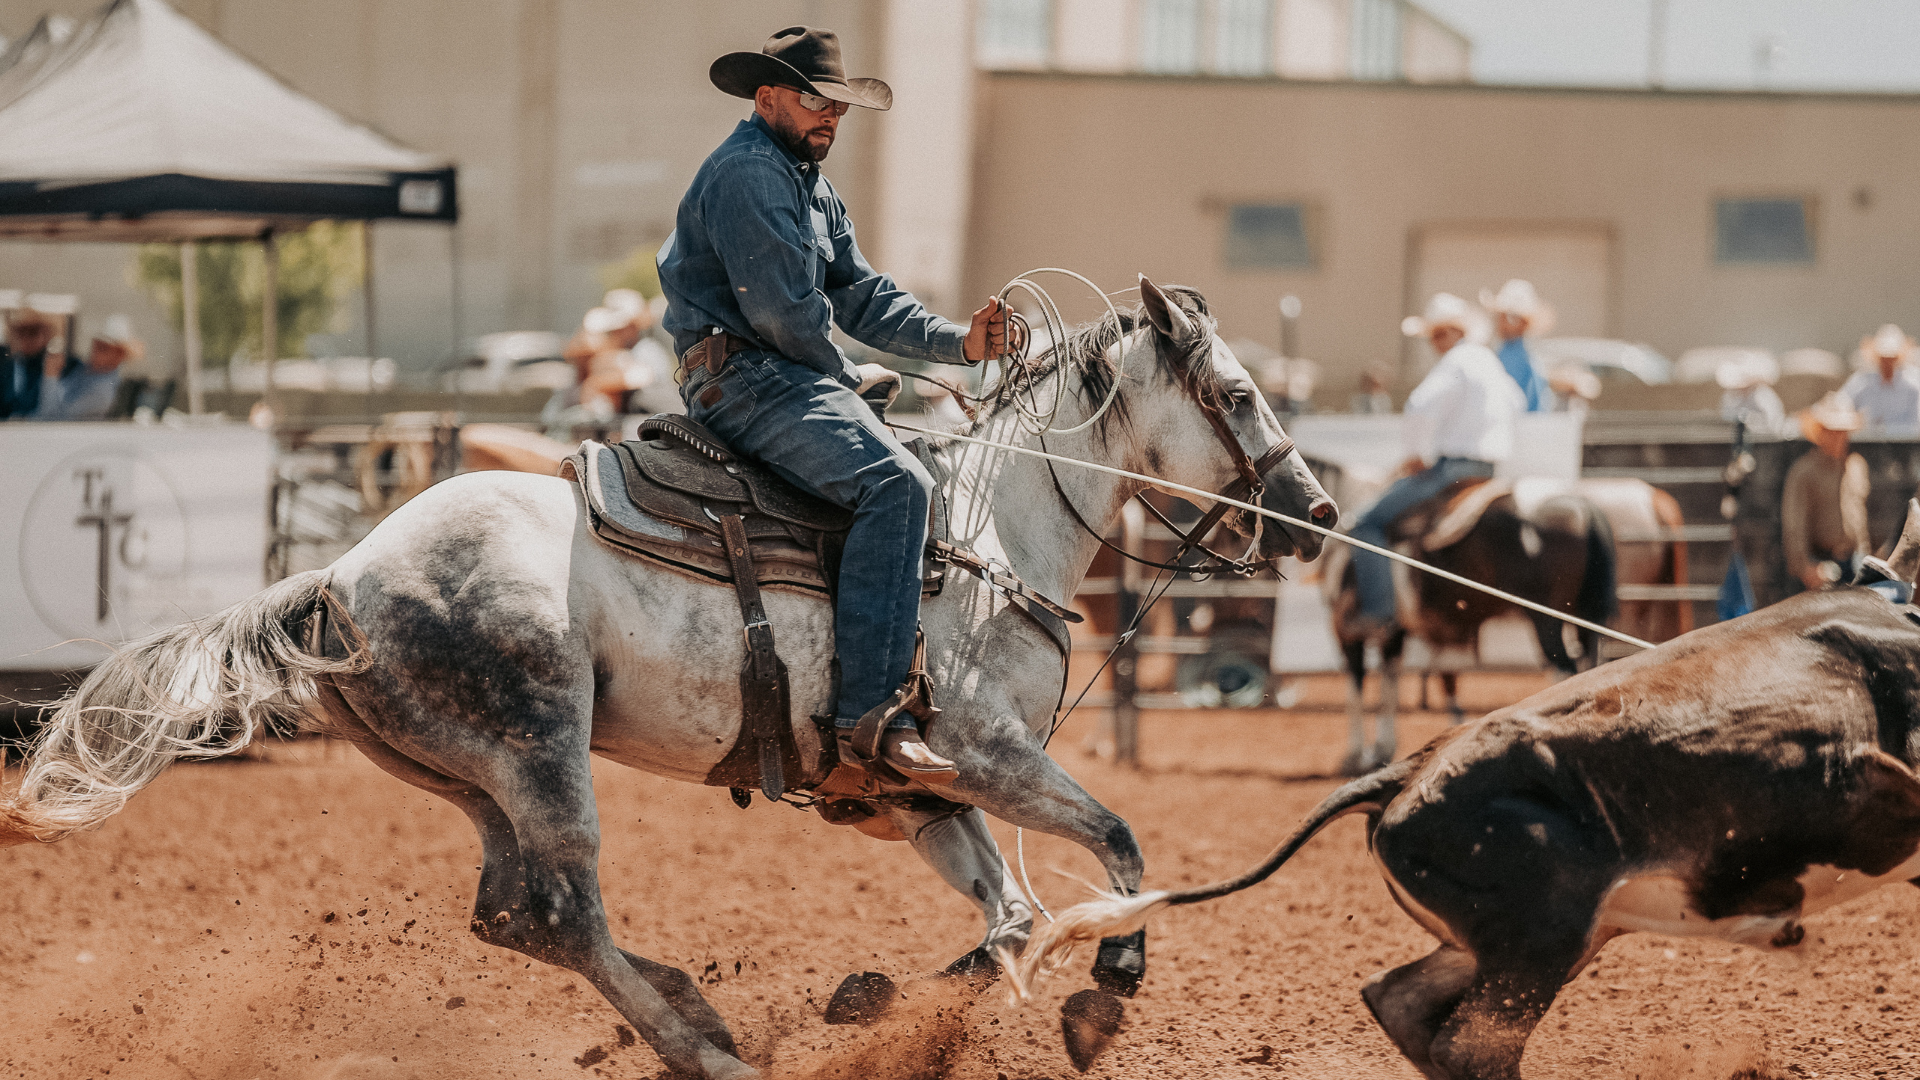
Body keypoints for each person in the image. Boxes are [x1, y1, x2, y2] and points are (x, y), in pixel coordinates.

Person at [657, 26, 1012, 784]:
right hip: (745, 376)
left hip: (771, 373)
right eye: (817, 100)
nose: (833, 116)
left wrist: (959, 342)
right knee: (897, 484)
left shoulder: (806, 180)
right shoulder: (749, 173)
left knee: (914, 471)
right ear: (767, 98)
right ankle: (870, 721)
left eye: (840, 105)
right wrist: (850, 376)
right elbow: (783, 314)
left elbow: (862, 293)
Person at [1348, 294, 1525, 631]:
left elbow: (1419, 406)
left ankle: (1378, 611)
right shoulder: (1489, 361)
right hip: (1488, 470)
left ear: (1456, 333)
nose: (1434, 342)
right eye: (1433, 335)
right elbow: (1517, 403)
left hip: (1453, 469)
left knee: (1367, 524)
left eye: (1439, 334)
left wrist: (1416, 456)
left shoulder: (1455, 363)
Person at [1781, 392, 1870, 593]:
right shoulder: (1804, 472)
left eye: (1842, 432)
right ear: (1820, 433)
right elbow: (1795, 525)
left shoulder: (1856, 466)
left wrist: (1864, 555)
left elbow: (1860, 518)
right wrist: (1806, 568)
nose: (1839, 438)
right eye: (1832, 431)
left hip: (1854, 561)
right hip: (1821, 563)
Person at [31, 314, 140, 421]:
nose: (94, 352)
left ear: (119, 355)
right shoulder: (85, 370)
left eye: (103, 348)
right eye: (95, 345)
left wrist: (50, 376)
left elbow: (54, 417)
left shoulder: (102, 392)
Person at [1479, 279, 1551, 412]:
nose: (1500, 322)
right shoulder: (1508, 350)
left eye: (1505, 317)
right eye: (1499, 317)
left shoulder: (1518, 355)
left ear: (1521, 323)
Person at [1841, 323, 1920, 433]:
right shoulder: (1862, 381)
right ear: (1877, 357)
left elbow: (1916, 422)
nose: (1887, 363)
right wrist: (1851, 418)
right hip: (1867, 441)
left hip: (1907, 442)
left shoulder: (1913, 383)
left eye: (1892, 359)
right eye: (1884, 358)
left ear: (1899, 358)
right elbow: (1841, 402)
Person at [1716, 353, 1788, 435]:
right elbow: (1725, 415)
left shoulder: (1763, 394)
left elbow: (1774, 420)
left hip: (1764, 436)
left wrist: (1751, 421)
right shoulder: (1729, 396)